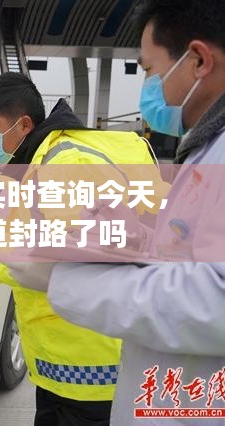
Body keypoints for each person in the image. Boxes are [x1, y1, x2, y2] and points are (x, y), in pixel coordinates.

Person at [37, 1, 225, 425]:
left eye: (149, 69)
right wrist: (143, 239)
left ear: (198, 60)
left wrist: (64, 280)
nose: (148, 88)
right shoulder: (207, 148)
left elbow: (215, 300)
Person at [0, 72, 162, 425]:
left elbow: (78, 259)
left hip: (89, 362)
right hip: (63, 358)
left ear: (23, 124)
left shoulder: (66, 166)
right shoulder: (35, 163)